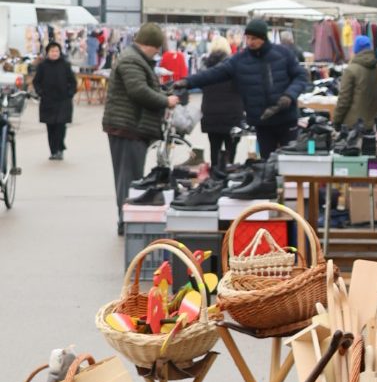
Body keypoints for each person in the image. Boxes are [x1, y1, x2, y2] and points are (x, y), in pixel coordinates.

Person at [182, 17, 305, 159]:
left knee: (290, 160)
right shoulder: (240, 60)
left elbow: (301, 76)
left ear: (263, 38)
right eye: (248, 38)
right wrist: (187, 82)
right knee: (267, 162)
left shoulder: (283, 54)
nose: (250, 42)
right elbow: (214, 74)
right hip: (262, 121)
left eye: (254, 38)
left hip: (286, 118)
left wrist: (289, 95)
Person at [102, 22, 179, 233]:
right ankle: (126, 221)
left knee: (130, 176)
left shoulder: (135, 58)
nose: (157, 53)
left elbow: (142, 88)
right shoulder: (132, 60)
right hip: (128, 128)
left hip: (130, 127)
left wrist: (162, 94)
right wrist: (166, 100)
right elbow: (138, 91)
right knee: (128, 178)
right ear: (150, 45)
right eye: (157, 49)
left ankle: (127, 219)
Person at [198, 35, 245, 168]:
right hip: (233, 114)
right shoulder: (235, 66)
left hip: (211, 113)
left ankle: (215, 174)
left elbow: (200, 85)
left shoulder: (204, 66)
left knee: (214, 149)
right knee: (231, 151)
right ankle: (228, 173)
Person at [32, 40, 77, 160]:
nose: (54, 53)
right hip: (48, 101)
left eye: (57, 51)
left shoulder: (65, 65)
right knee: (51, 127)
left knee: (61, 126)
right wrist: (40, 92)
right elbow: (36, 82)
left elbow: (73, 82)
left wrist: (70, 93)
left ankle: (60, 149)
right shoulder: (42, 66)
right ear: (48, 52)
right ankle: (53, 151)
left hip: (63, 101)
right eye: (52, 51)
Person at [332, 34, 377, 133]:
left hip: (354, 124)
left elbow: (344, 99)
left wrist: (336, 121)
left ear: (356, 49)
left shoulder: (351, 70)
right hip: (375, 124)